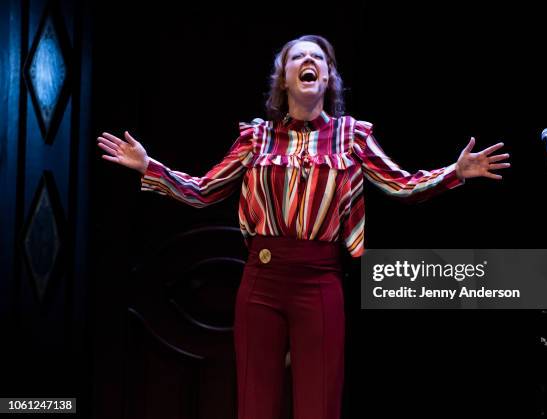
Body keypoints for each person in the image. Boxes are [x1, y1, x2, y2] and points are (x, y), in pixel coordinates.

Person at [97, 34, 510, 419]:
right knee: (255, 403)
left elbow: (401, 186)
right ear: (284, 78)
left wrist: (454, 172)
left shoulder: (352, 136)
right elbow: (203, 191)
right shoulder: (256, 138)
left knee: (320, 404)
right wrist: (150, 167)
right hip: (262, 279)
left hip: (319, 279)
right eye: (297, 56)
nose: (308, 60)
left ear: (328, 77)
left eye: (318, 57)